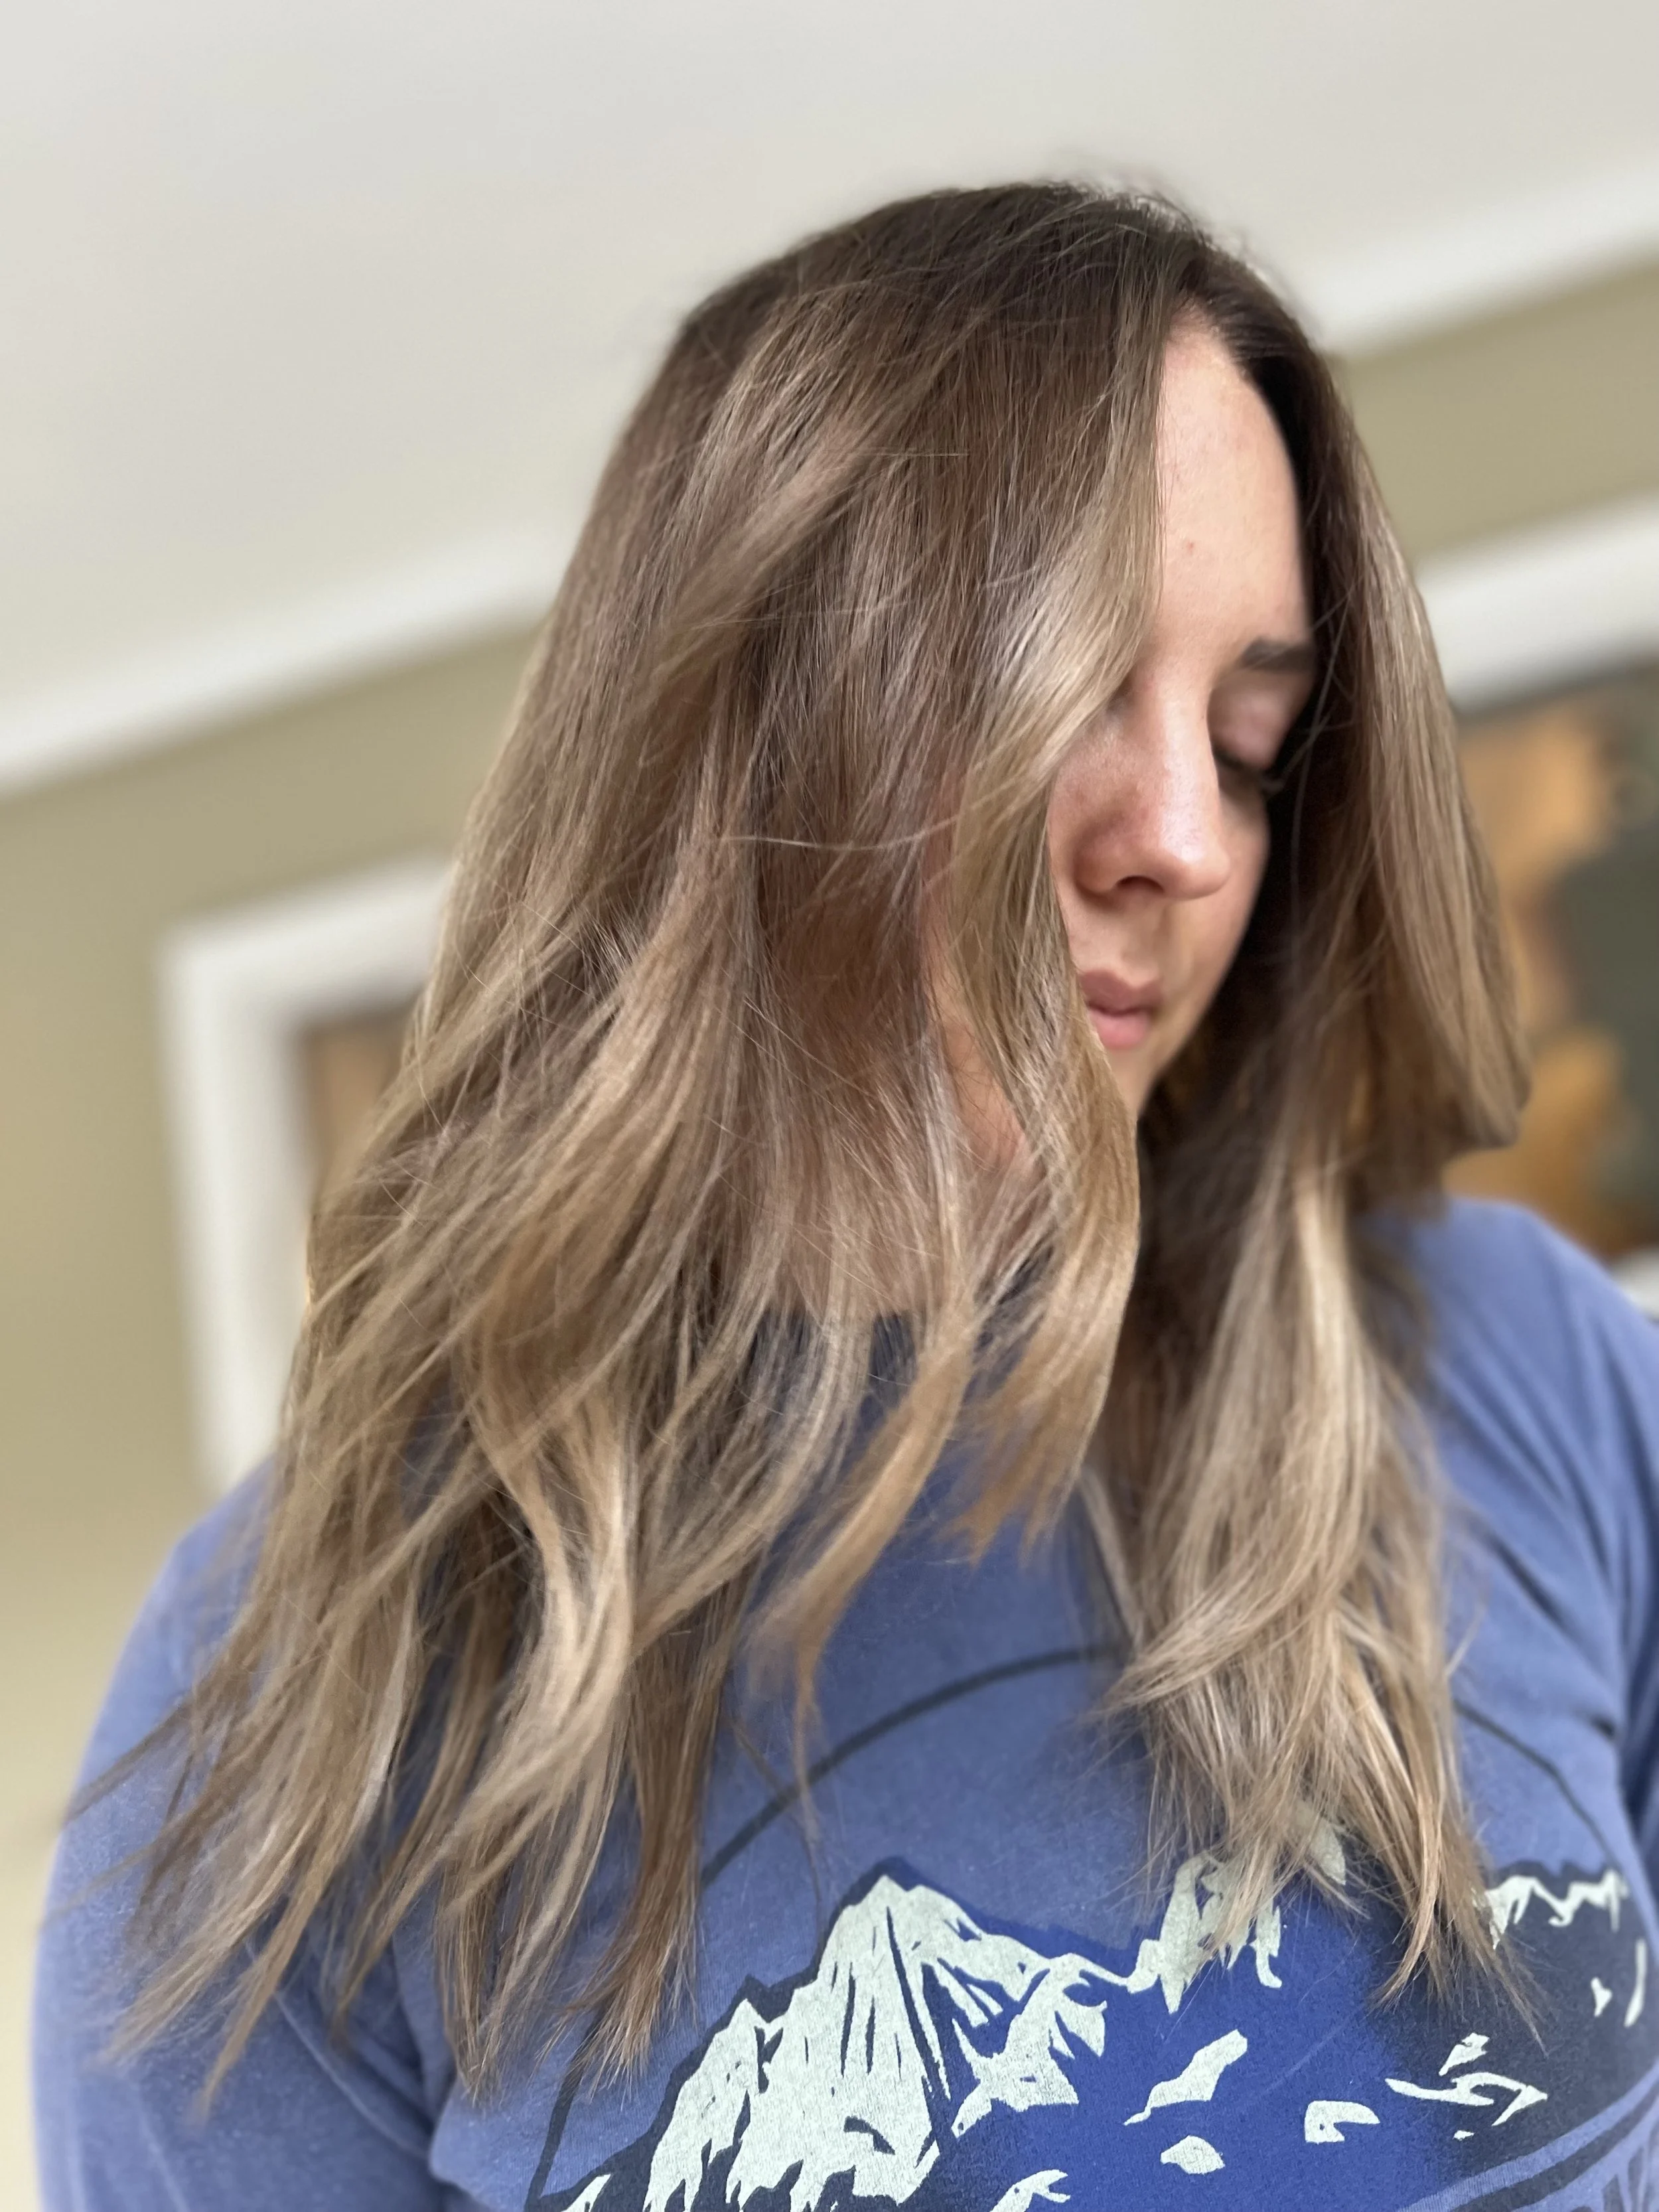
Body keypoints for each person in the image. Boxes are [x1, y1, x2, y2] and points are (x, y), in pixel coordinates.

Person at [33, 183, 1659, 2212]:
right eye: (1067, 687)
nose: (1181, 834)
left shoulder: (1520, 1361)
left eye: (1248, 742)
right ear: (733, 728)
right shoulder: (282, 1705)